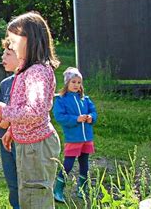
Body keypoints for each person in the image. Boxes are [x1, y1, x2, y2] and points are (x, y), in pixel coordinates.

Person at [0, 11, 61, 208]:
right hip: (30, 144)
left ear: (31, 40)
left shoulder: (37, 73)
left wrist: (5, 113)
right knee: (27, 195)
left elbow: (35, 111)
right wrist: (12, 129)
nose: (11, 45)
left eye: (14, 40)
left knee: (36, 198)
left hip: (37, 147)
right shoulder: (28, 70)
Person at [52, 67, 97, 202]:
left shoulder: (85, 99)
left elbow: (94, 112)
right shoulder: (61, 100)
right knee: (68, 165)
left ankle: (82, 189)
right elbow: (60, 117)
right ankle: (58, 190)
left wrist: (91, 117)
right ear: (67, 83)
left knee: (84, 164)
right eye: (73, 82)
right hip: (73, 137)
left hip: (86, 138)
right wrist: (75, 119)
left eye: (79, 82)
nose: (76, 85)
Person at [0, 39, 20, 209]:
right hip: (4, 139)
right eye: (3, 53)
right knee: (12, 183)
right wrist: (2, 122)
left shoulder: (27, 82)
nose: (3, 57)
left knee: (25, 181)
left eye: (8, 54)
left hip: (21, 140)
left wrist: (7, 119)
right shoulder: (5, 84)